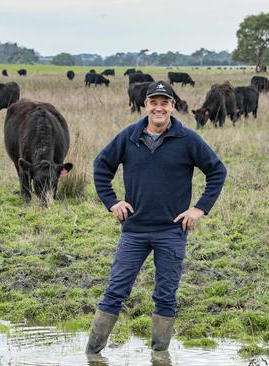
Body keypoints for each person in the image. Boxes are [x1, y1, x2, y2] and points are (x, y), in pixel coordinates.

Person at [86, 81, 227, 354]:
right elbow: (101, 165)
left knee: (165, 297)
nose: (159, 108)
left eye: (165, 103)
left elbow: (217, 171)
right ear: (145, 105)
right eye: (154, 102)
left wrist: (199, 209)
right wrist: (112, 202)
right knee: (115, 291)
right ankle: (92, 353)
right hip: (134, 230)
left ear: (173, 106)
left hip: (171, 231)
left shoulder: (188, 139)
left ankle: (160, 355)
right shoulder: (128, 137)